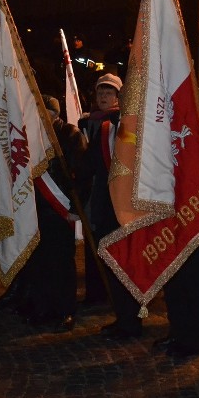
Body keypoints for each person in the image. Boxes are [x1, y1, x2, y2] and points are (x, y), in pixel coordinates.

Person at [77, 73, 143, 340]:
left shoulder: (137, 130)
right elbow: (88, 165)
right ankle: (123, 318)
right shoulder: (104, 128)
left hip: (130, 209)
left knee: (128, 266)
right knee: (113, 265)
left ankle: (132, 321)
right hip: (108, 208)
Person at [22, 95, 87, 332]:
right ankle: (43, 308)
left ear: (55, 114)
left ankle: (65, 310)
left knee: (61, 263)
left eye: (45, 113)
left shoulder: (70, 135)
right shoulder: (31, 135)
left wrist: (74, 208)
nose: (41, 117)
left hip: (60, 210)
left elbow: (80, 173)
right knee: (39, 262)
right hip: (37, 209)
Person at [77, 73, 122, 306]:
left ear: (117, 96)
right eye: (100, 92)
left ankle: (112, 293)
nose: (104, 97)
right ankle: (94, 292)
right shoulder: (87, 122)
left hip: (112, 194)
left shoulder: (121, 122)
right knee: (92, 241)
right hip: (91, 192)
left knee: (110, 242)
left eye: (109, 93)